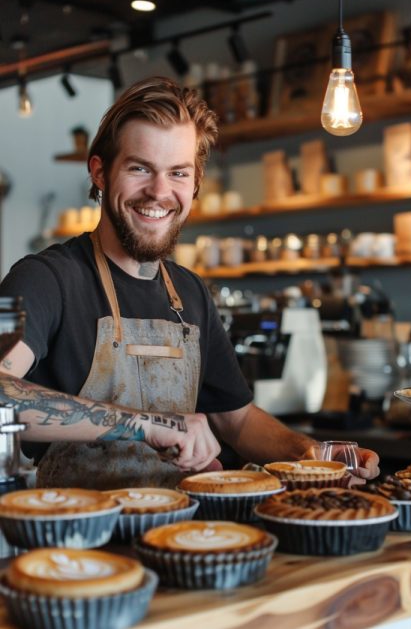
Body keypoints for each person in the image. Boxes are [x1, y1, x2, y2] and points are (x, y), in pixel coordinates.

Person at [0, 76, 379, 489]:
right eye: (140, 168)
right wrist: (146, 425)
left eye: (178, 173)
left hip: (181, 542)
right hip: (76, 544)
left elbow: (236, 420)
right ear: (100, 173)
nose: (159, 192)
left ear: (195, 184)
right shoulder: (48, 280)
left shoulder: (191, 294)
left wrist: (311, 456)